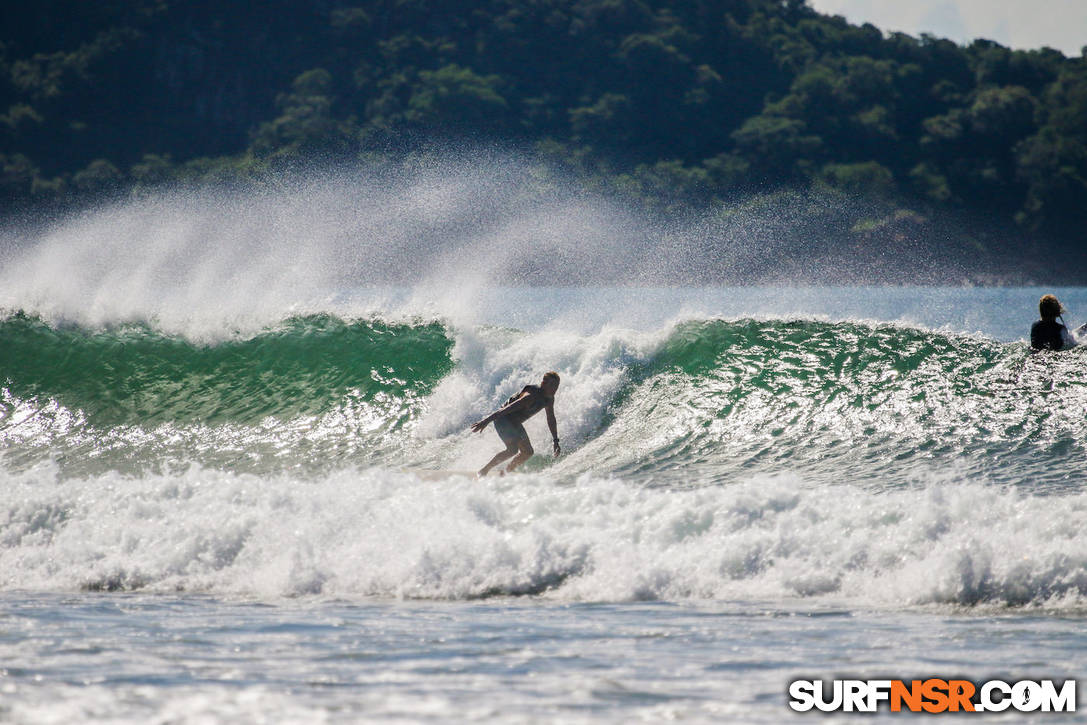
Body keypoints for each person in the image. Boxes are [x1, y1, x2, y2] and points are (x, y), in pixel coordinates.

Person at [471, 371, 561, 476]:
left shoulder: (549, 399)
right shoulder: (530, 396)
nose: (555, 389)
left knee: (528, 452)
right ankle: (484, 471)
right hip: (503, 419)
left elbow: (551, 418)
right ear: (543, 384)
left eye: (557, 386)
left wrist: (555, 440)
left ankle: (504, 474)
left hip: (515, 423)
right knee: (512, 450)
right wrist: (485, 421)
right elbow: (506, 409)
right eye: (552, 385)